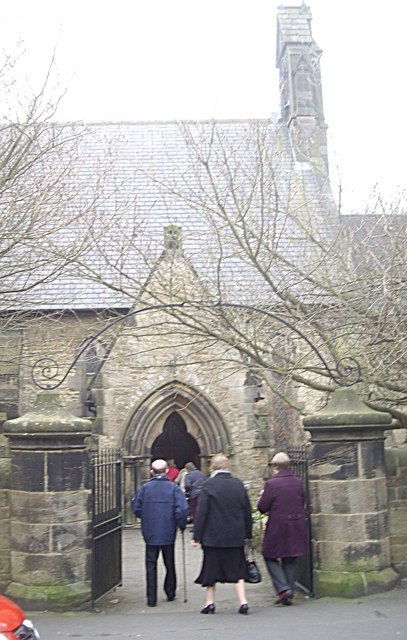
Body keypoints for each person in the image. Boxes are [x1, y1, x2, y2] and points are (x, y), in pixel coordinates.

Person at [192, 453, 252, 615]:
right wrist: (248, 533)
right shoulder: (238, 484)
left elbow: (201, 513)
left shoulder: (209, 485)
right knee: (238, 569)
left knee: (211, 570)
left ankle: (210, 603)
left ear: (212, 466)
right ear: (227, 466)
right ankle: (243, 601)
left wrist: (197, 536)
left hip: (213, 537)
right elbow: (247, 511)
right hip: (235, 536)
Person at [132, 459, 188, 607]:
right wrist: (181, 524)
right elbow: (182, 509)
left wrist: (146, 517)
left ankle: (151, 598)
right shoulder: (173, 488)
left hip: (150, 530)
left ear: (152, 472)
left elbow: (136, 507)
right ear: (167, 471)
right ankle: (170, 592)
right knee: (169, 562)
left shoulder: (145, 488)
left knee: (151, 564)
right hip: (168, 529)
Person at [257, 451, 307, 606]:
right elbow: (302, 501)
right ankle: (289, 591)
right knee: (290, 557)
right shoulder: (299, 482)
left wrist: (263, 495)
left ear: (275, 467)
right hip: (297, 525)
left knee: (269, 555)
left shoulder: (271, 484)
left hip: (278, 526)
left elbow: (262, 507)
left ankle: (283, 588)